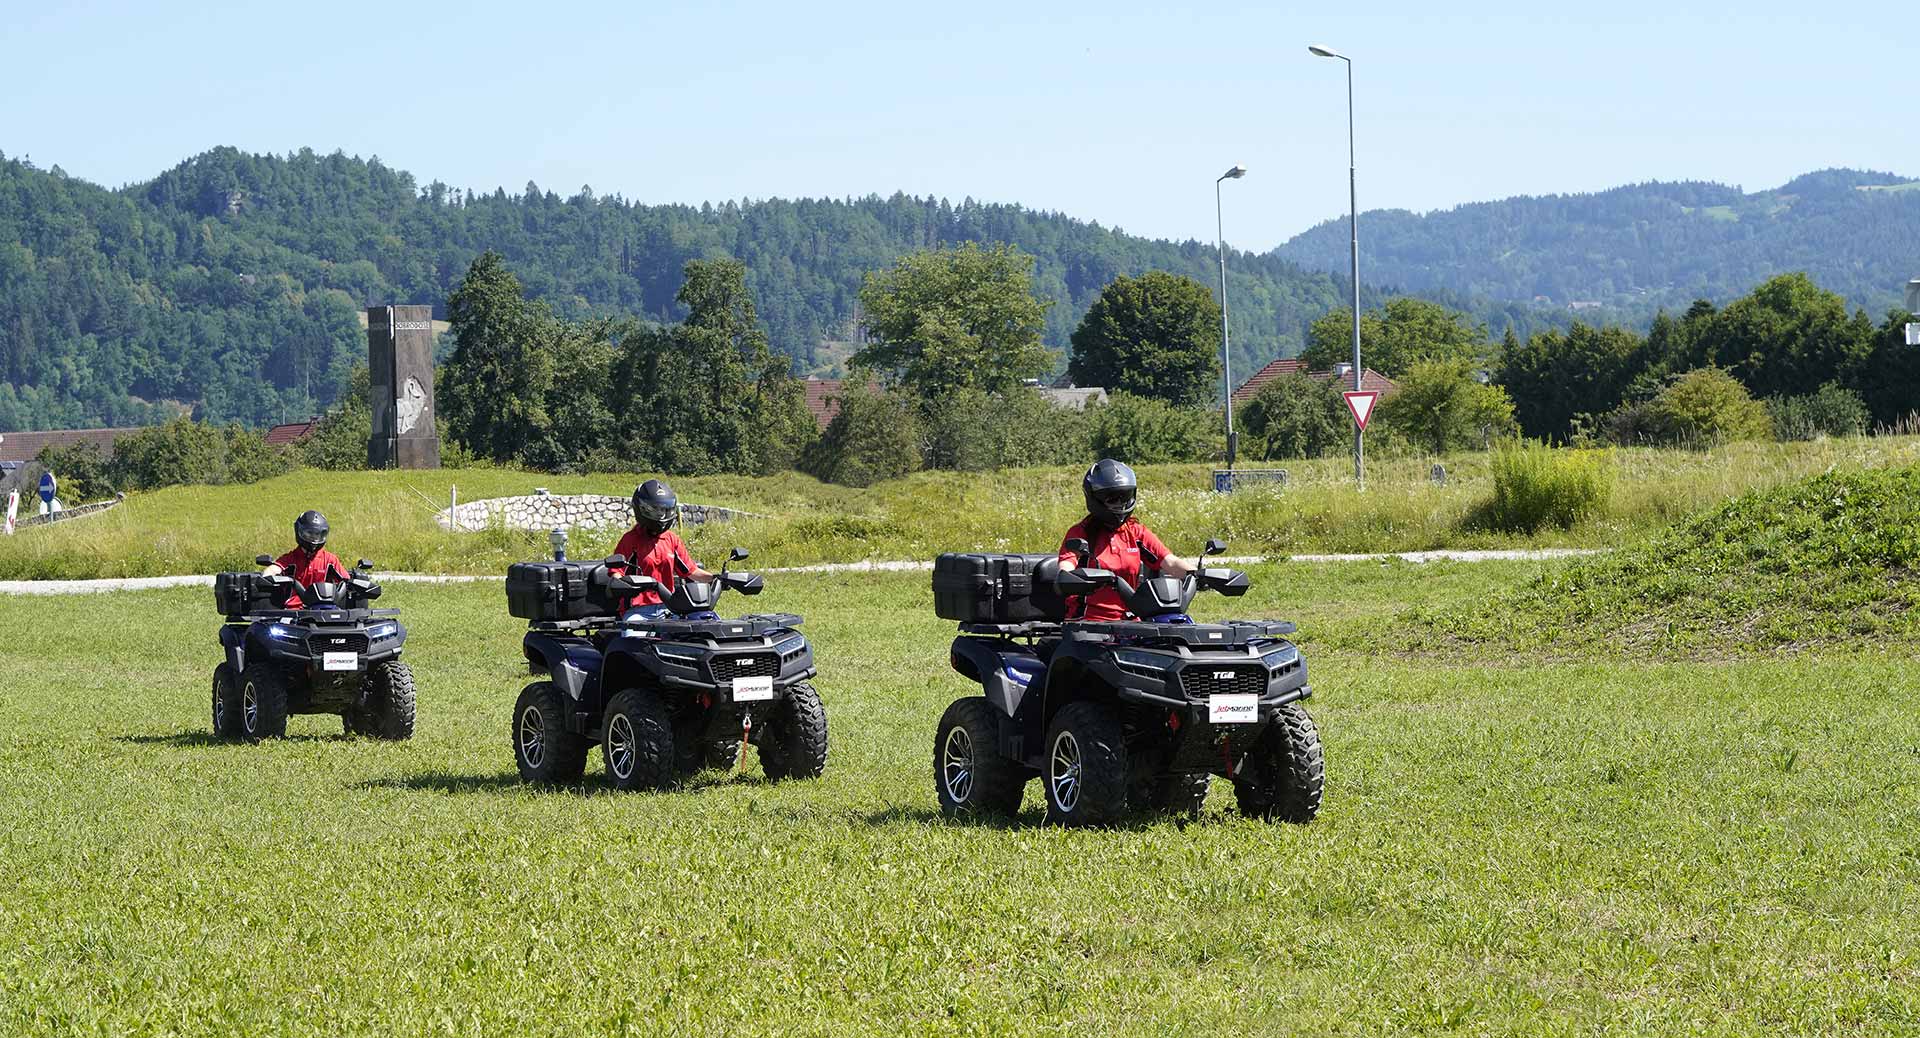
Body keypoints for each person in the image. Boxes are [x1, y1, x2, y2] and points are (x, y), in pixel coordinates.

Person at [1057, 459, 1192, 622]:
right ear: (1095, 498)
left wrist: (1198, 574)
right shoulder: (1081, 533)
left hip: (1132, 621)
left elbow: (1169, 562)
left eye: (1124, 497)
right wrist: (1069, 577)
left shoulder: (1136, 532)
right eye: (1112, 498)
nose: (1120, 504)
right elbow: (1066, 566)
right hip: (1089, 622)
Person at [610, 479, 714, 617]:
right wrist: (624, 584)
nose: (660, 514)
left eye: (664, 509)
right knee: (633, 637)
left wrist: (717, 578)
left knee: (699, 627)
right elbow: (616, 573)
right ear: (642, 509)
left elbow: (691, 571)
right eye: (655, 509)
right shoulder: (630, 539)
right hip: (638, 610)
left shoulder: (671, 539)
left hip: (669, 607)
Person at [263, 509, 345, 609]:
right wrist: (268, 575)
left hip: (324, 610)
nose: (314, 538)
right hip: (294, 612)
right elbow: (274, 568)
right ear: (299, 532)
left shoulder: (330, 560)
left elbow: (346, 580)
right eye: (309, 533)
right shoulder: (291, 559)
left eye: (318, 534)